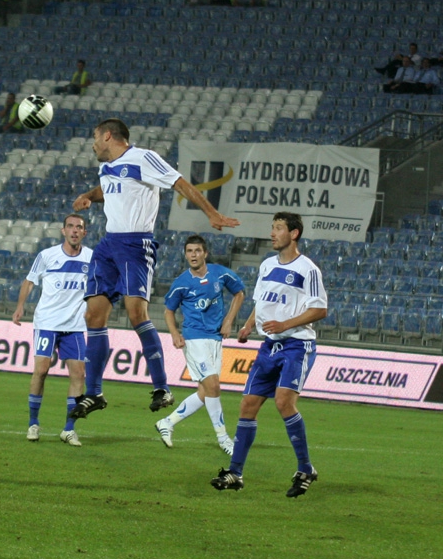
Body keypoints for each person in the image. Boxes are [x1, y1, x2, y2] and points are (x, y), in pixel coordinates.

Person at [68, 118, 238, 422]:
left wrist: (211, 213)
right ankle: (94, 392)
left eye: (95, 137)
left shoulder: (143, 158)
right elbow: (108, 189)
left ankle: (162, 387)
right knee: (93, 315)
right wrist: (89, 196)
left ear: (108, 135)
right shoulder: (107, 167)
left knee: (136, 314)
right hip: (108, 244)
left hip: (136, 244)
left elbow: (180, 183)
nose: (93, 144)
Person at [210, 212, 327, 497]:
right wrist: (249, 325)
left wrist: (286, 324)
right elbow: (261, 303)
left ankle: (305, 468)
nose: (272, 233)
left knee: (284, 401)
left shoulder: (308, 269)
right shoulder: (266, 266)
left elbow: (320, 309)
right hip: (268, 346)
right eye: (272, 228)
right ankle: (235, 472)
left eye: (278, 228)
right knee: (247, 406)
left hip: (297, 345)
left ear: (294, 234)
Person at [156, 235, 245, 455]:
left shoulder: (220, 273)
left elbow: (240, 292)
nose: (193, 255)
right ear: (185, 254)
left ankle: (167, 422)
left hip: (215, 338)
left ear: (205, 253)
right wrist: (175, 333)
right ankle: (224, 439)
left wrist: (229, 320)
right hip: (194, 338)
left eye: (197, 251)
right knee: (213, 387)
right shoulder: (181, 283)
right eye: (189, 251)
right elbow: (168, 310)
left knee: (206, 392)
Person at [12, 214, 93, 446]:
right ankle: (33, 423)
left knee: (78, 375)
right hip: (47, 323)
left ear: (84, 233)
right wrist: (20, 307)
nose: (75, 231)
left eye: (79, 227)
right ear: (63, 230)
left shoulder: (92, 258)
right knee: (41, 371)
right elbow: (29, 281)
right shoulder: (47, 256)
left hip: (75, 326)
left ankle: (68, 428)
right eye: (71, 226)